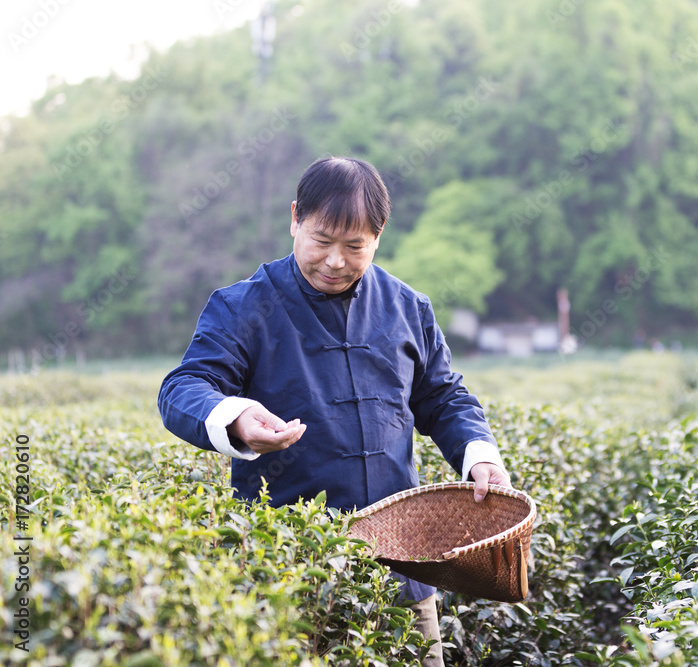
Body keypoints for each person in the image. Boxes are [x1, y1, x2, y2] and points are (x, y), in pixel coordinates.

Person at [158, 156, 511, 667]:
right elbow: (184, 387)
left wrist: (479, 454)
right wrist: (233, 418)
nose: (335, 261)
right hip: (289, 579)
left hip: (402, 574)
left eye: (354, 247)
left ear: (379, 236)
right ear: (295, 218)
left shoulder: (407, 307)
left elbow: (443, 397)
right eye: (321, 241)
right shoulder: (243, 306)